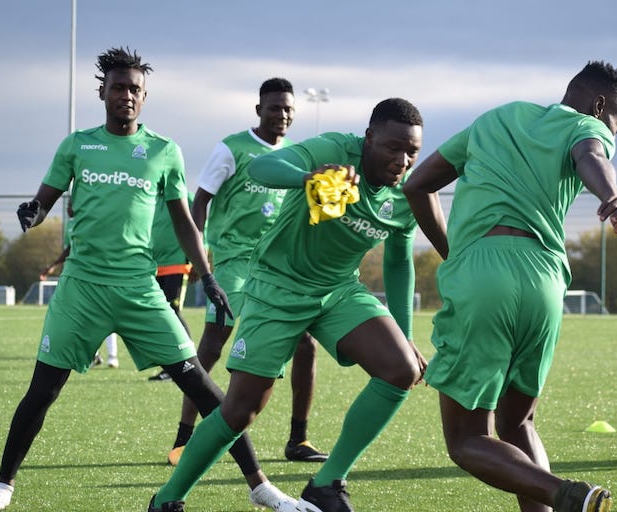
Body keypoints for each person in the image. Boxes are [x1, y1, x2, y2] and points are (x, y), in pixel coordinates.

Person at [0, 47, 296, 512]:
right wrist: (33, 211)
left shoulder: (165, 151)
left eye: (135, 90)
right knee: (43, 390)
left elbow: (185, 220)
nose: (127, 95)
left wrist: (206, 276)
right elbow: (43, 200)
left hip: (140, 290)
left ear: (144, 97)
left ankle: (260, 487)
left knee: (204, 388)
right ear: (102, 92)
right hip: (81, 290)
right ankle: (3, 483)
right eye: (119, 87)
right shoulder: (76, 146)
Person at [148, 97, 428, 512]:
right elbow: (262, 167)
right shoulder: (333, 150)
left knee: (402, 368)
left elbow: (400, 264)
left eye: (412, 152)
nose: (402, 160)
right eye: (393, 147)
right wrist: (307, 177)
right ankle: (167, 500)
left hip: (337, 291)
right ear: (369, 138)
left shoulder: (407, 193)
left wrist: (405, 335)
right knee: (241, 410)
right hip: (276, 287)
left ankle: (328, 483)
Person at [402, 60, 617, 512]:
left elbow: (417, 185)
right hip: (546, 281)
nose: (613, 134)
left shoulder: (495, 118)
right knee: (520, 423)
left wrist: (458, 253)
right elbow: (590, 155)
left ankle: (565, 494)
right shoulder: (586, 128)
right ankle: (565, 499)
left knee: (467, 439)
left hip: (484, 274)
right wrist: (610, 197)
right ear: (599, 103)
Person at [176, 77, 326, 466]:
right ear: (259, 110)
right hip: (234, 261)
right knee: (213, 342)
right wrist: (200, 255)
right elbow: (200, 200)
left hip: (280, 266)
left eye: (289, 109)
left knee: (305, 343)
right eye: (275, 107)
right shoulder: (232, 148)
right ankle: (184, 437)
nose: (283, 114)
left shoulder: (297, 153)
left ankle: (299, 439)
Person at [39, 200, 119, 369]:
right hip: (80, 276)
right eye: (68, 205)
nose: (69, 208)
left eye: (72, 204)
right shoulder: (72, 225)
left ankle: (112, 356)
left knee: (106, 316)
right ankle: (93, 353)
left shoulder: (96, 219)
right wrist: (54, 265)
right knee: (83, 315)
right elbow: (70, 248)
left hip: (101, 274)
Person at [148, 190, 197, 383]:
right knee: (159, 315)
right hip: (153, 265)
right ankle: (170, 366)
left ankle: (188, 362)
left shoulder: (184, 195)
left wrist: (198, 257)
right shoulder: (150, 194)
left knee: (172, 312)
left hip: (176, 264)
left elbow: (199, 224)